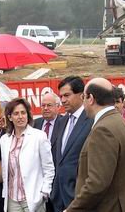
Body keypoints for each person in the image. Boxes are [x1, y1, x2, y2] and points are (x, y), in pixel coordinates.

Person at [65, 78, 125, 212]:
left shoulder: (103, 129)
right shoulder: (118, 122)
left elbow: (97, 183)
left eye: (83, 98)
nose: (83, 103)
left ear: (91, 98)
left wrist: (71, 210)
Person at [0, 98, 55, 212]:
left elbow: (48, 168)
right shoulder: (5, 140)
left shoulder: (39, 136)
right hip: (12, 199)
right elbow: (7, 171)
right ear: (10, 117)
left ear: (28, 115)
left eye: (23, 112)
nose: (20, 117)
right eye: (16, 113)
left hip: (33, 198)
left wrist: (44, 193)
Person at [49, 76, 93, 212]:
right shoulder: (62, 122)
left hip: (79, 198)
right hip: (59, 198)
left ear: (81, 96)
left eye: (67, 95)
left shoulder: (92, 121)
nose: (62, 100)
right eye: (61, 96)